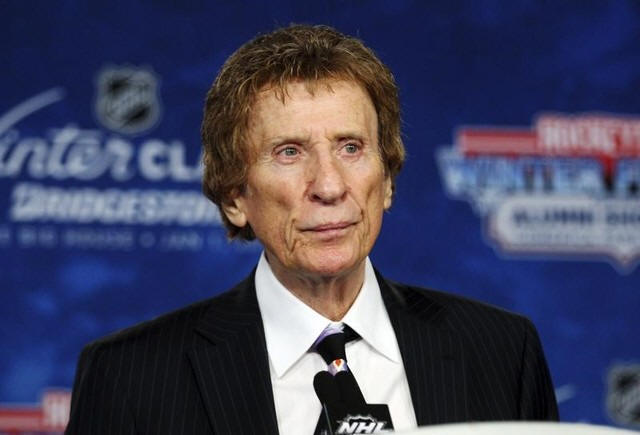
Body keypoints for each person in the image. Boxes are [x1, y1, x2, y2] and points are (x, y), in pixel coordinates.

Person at [65, 24, 558, 435]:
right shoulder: (130, 377)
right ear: (235, 197)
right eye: (289, 152)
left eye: (351, 147)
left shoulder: (501, 351)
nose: (329, 185)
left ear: (387, 178)